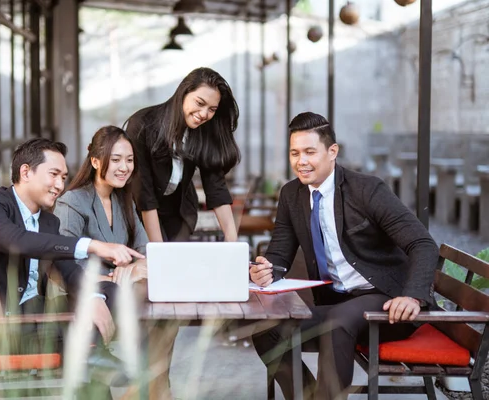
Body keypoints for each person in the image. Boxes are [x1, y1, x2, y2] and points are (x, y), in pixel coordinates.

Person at [249, 112, 439, 400]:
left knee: (339, 322)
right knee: (266, 326)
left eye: (310, 152)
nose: (301, 161)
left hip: (387, 301)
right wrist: (266, 270)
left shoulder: (367, 189)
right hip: (337, 303)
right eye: (295, 153)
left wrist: (411, 296)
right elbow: (279, 254)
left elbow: (423, 243)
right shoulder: (291, 195)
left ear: (332, 152)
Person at [0, 138, 144, 391]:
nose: (60, 185)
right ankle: (91, 360)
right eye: (54, 174)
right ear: (26, 172)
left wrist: (93, 297)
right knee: (86, 333)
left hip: (35, 315)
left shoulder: (48, 222)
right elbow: (16, 241)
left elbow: (68, 270)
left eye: (64, 177)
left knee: (109, 290)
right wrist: (92, 245)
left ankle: (91, 358)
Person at [124, 67, 241, 242]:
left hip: (178, 212)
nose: (203, 114)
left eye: (212, 109)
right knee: (157, 262)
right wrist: (158, 249)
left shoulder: (203, 131)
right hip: (140, 211)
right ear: (183, 93)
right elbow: (144, 194)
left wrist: (233, 241)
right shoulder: (142, 124)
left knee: (178, 262)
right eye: (199, 103)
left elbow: (215, 186)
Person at [54, 125, 148, 285]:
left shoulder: (124, 199)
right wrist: (116, 278)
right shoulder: (72, 201)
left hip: (123, 292)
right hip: (86, 297)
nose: (124, 167)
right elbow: (64, 263)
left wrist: (133, 270)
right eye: (116, 160)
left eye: (130, 160)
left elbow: (144, 252)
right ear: (95, 162)